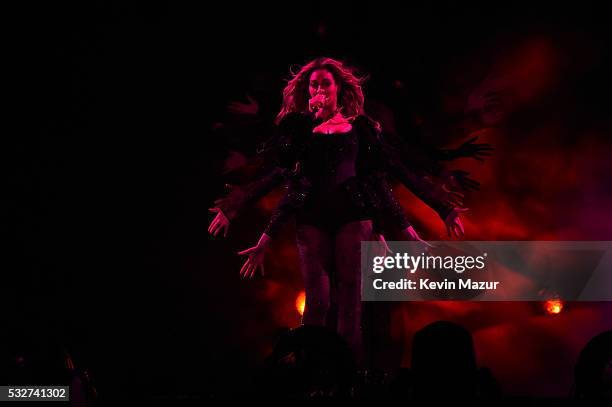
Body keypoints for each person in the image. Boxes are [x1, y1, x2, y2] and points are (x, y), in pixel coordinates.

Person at [208, 57, 470, 362]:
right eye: (313, 85)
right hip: (311, 217)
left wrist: (442, 207)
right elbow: (273, 170)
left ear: (338, 88)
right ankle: (309, 371)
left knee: (349, 298)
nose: (319, 89)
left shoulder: (360, 128)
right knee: (317, 300)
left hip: (353, 216)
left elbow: (395, 171)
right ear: (307, 92)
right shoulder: (298, 130)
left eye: (325, 84)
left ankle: (348, 375)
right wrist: (234, 205)